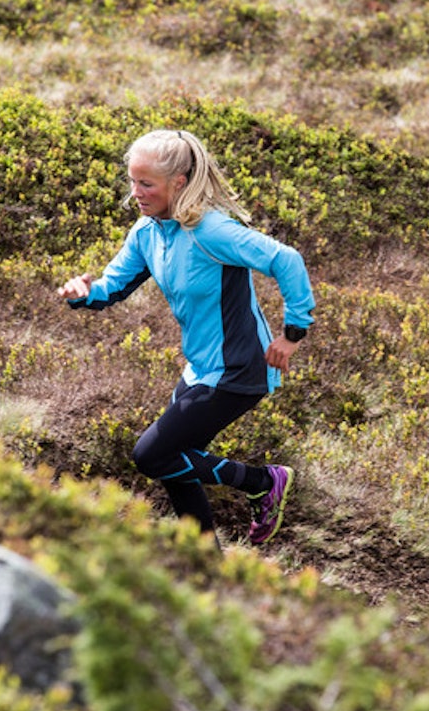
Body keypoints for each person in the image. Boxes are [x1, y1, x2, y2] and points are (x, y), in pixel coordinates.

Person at [58, 129, 315, 546]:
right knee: (174, 464)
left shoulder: (210, 231)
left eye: (147, 183)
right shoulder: (147, 232)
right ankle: (205, 568)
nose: (136, 192)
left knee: (151, 455)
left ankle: (263, 482)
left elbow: (286, 260)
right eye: (132, 181)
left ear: (178, 183)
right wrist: (83, 293)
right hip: (201, 367)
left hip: (238, 369)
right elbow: (112, 287)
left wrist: (293, 333)